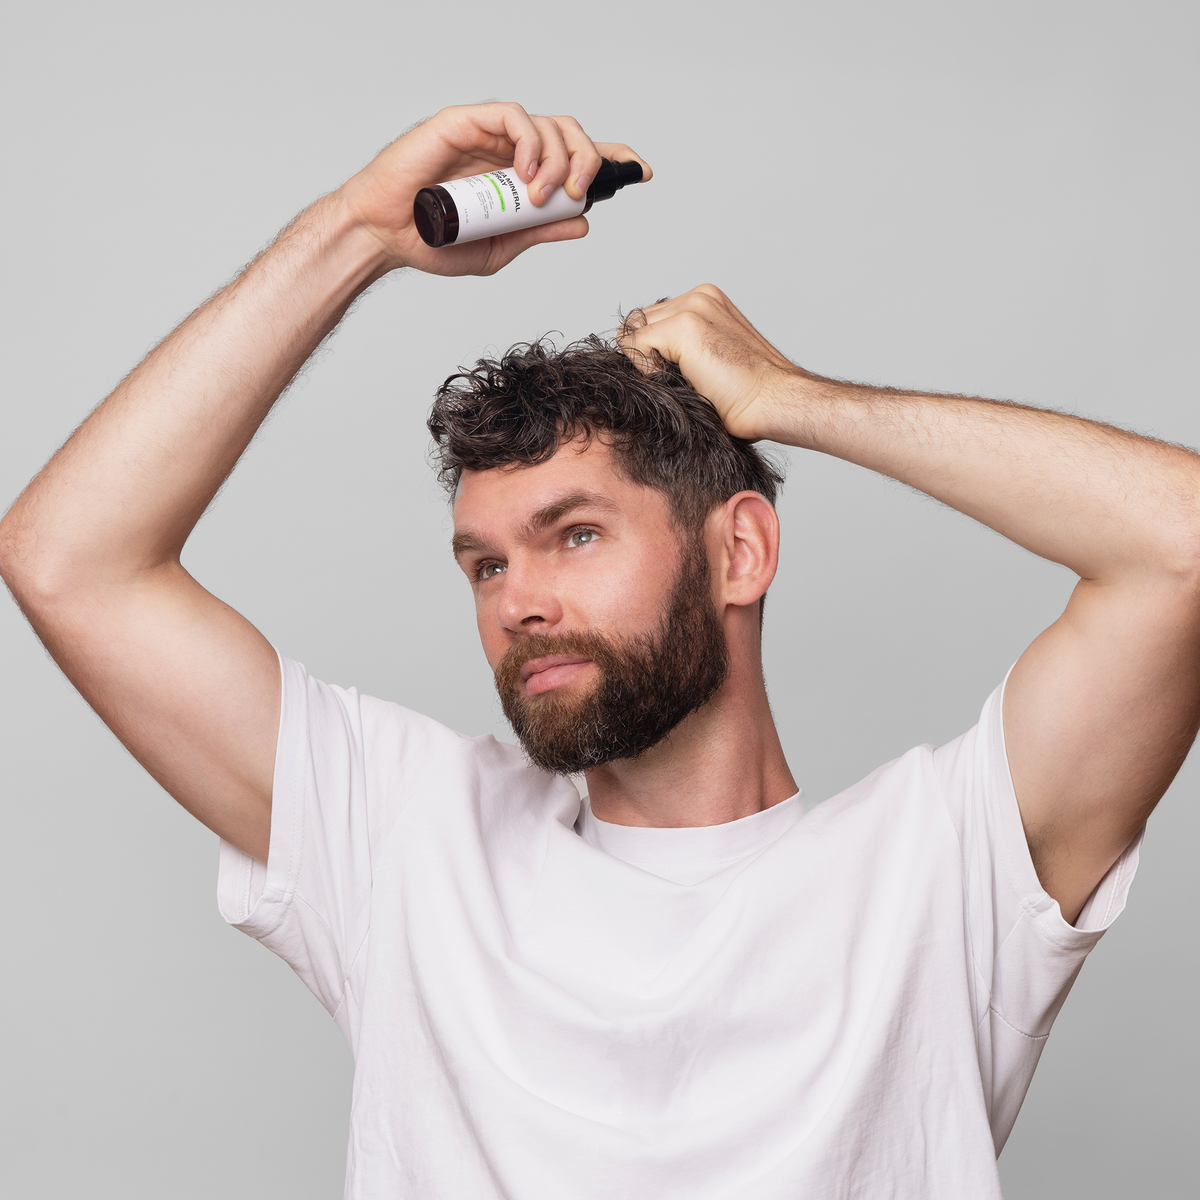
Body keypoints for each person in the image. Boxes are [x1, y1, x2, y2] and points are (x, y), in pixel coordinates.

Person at [0, 101, 1195, 1199]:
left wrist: (794, 402)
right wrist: (359, 231)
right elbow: (68, 560)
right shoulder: (408, 841)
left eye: (573, 534)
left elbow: (1183, 550)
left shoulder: (942, 872)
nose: (517, 600)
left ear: (741, 552)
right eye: (486, 563)